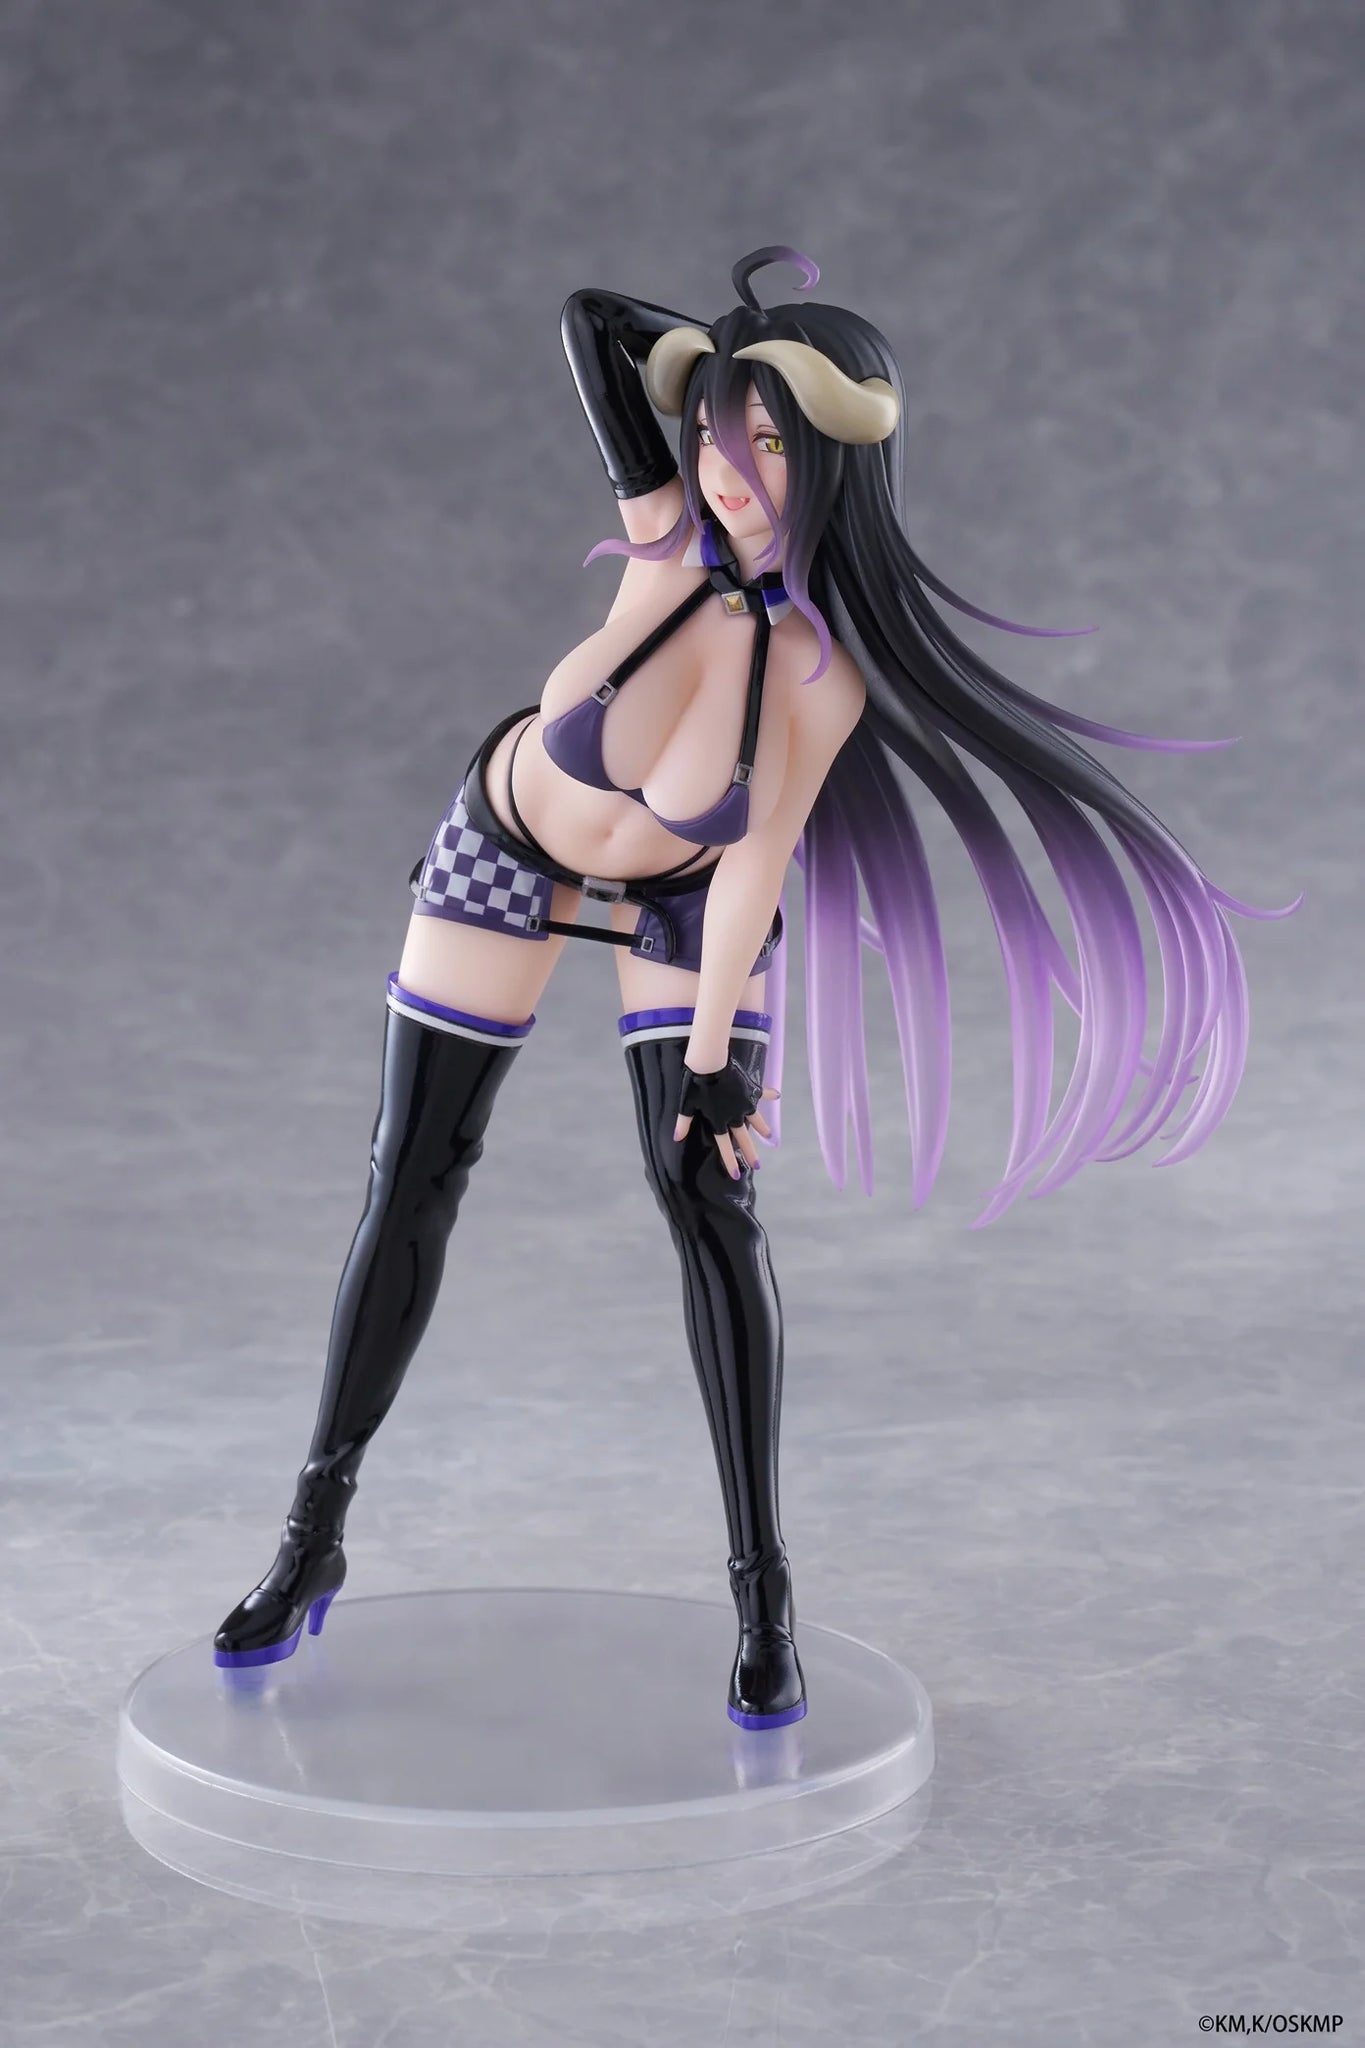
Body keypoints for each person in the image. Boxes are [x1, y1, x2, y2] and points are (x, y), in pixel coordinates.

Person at [212, 247, 1298, 1728]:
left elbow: (750, 864)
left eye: (773, 443)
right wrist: (743, 355)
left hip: (681, 897)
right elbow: (592, 323)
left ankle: (761, 1592)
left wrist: (717, 1058)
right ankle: (310, 1538)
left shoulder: (813, 672)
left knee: (708, 1201)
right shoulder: (661, 533)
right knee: (412, 1178)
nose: (729, 469)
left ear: (840, 460)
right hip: (505, 849)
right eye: (719, 431)